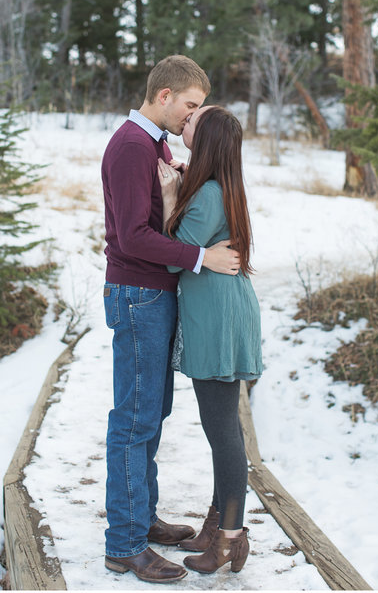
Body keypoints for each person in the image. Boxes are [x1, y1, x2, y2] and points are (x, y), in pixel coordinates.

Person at [101, 55, 241, 584]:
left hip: (154, 293)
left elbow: (156, 213)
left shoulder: (155, 144)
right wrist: (204, 259)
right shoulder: (133, 146)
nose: (192, 118)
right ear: (164, 95)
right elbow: (134, 235)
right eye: (190, 105)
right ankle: (125, 545)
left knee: (150, 414)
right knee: (134, 420)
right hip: (137, 293)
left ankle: (142, 517)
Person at [157, 105, 262, 574]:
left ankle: (231, 538)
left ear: (209, 139)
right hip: (228, 308)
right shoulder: (220, 188)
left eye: (197, 118)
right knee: (226, 430)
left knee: (222, 434)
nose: (188, 118)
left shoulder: (207, 197)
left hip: (216, 317)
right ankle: (216, 525)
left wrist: (165, 202)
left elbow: (173, 259)